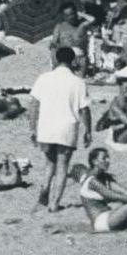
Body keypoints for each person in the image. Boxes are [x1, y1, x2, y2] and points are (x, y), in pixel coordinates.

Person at [28, 42, 92, 210]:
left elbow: (33, 105)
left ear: (56, 59)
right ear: (73, 61)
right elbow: (85, 110)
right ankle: (54, 203)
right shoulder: (78, 82)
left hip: (46, 127)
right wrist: (88, 131)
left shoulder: (44, 78)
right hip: (66, 128)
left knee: (49, 163)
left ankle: (44, 192)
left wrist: (32, 128)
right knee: (63, 166)